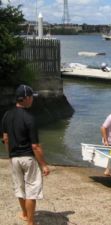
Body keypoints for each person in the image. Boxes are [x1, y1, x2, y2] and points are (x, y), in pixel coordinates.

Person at [1, 84, 50, 225]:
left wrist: (10, 155)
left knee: (20, 188)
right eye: (31, 97)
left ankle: (24, 214)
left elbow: (5, 138)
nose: (33, 100)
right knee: (31, 192)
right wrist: (44, 165)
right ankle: (30, 222)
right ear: (26, 98)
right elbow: (35, 146)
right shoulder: (30, 118)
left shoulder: (7, 115)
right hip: (28, 158)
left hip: (14, 158)